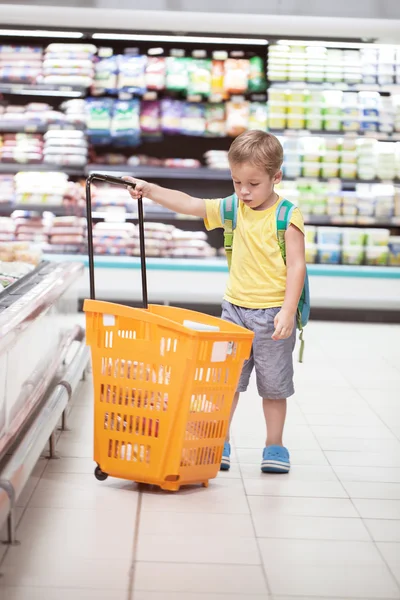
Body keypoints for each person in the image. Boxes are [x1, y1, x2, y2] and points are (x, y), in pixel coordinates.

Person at [124, 130, 306, 474]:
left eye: (253, 183)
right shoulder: (232, 208)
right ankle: (217, 439)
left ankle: (275, 444)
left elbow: (297, 266)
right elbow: (191, 204)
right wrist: (150, 190)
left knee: (274, 387)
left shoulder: (286, 217)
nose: (244, 191)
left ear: (276, 177)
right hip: (233, 311)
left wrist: (286, 311)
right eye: (237, 182)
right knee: (225, 383)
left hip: (272, 316)